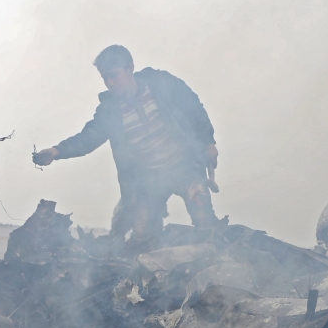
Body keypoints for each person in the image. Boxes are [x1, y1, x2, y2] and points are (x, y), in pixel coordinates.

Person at [32, 45, 219, 248]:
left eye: (114, 75)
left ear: (129, 68)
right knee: (142, 237)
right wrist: (57, 151)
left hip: (185, 168)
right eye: (105, 78)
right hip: (149, 181)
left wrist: (209, 142)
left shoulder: (162, 83)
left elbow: (194, 108)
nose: (110, 83)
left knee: (205, 223)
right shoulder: (110, 110)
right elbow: (88, 137)